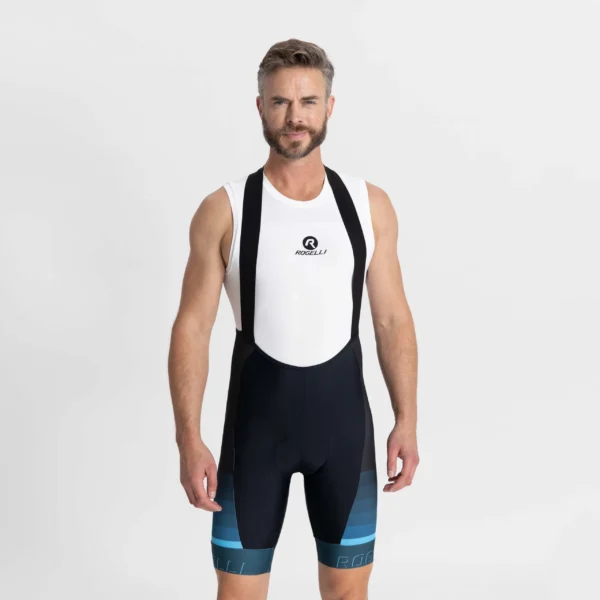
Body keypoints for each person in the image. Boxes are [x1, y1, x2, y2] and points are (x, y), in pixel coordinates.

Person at [168, 38, 419, 600]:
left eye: (308, 102)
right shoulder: (226, 209)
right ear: (260, 107)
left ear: (329, 107)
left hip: (344, 435)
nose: (294, 117)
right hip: (254, 436)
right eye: (280, 102)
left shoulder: (368, 205)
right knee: (238, 594)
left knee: (349, 594)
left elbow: (392, 321)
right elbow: (192, 328)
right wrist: (188, 438)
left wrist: (406, 419)